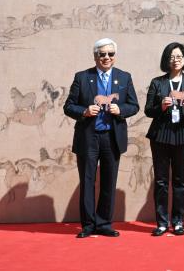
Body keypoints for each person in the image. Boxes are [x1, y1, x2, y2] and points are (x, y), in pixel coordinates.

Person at [63, 38, 140, 238]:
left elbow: (134, 106)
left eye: (110, 54)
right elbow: (68, 106)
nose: (106, 57)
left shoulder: (124, 77)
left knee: (109, 182)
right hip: (88, 138)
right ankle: (88, 225)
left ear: (115, 56)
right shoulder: (82, 77)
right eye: (102, 54)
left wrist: (120, 109)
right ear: (95, 56)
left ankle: (104, 224)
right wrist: (84, 111)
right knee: (87, 181)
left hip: (112, 138)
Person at [144, 42, 184, 236]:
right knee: (161, 181)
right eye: (172, 57)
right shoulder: (157, 82)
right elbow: (148, 111)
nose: (175, 60)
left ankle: (178, 221)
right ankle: (162, 222)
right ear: (166, 60)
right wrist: (161, 107)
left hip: (183, 134)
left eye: (179, 56)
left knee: (180, 181)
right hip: (161, 134)